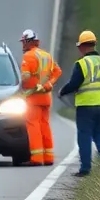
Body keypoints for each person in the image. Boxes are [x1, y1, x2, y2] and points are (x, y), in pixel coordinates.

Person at [57, 29, 100, 177]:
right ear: (94, 45)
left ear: (82, 46)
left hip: (86, 106)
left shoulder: (82, 64)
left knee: (84, 136)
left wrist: (62, 91)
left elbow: (75, 83)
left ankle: (85, 169)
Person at [18, 28, 62, 165]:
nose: (22, 45)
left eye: (23, 42)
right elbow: (57, 71)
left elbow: (25, 77)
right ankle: (48, 158)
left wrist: (19, 87)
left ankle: (36, 159)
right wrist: (49, 84)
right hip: (46, 97)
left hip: (33, 97)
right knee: (45, 125)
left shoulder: (29, 56)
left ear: (28, 42)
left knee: (33, 125)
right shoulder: (47, 55)